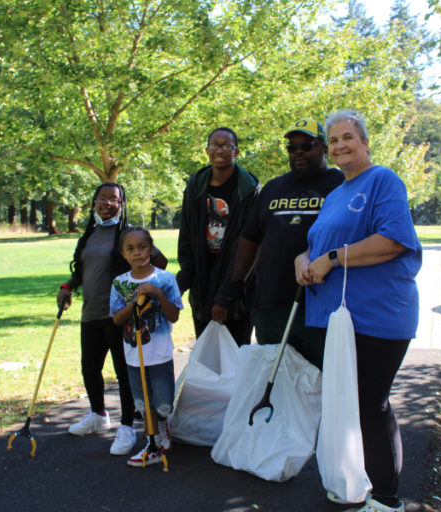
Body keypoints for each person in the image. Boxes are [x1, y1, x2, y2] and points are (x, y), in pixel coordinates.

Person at [295, 110, 422, 512]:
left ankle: (387, 501)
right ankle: (355, 483)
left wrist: (332, 258)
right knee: (348, 405)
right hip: (339, 318)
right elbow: (318, 244)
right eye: (333, 140)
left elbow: (393, 241)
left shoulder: (382, 180)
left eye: (348, 137)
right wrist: (302, 261)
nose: (339, 146)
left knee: (371, 403)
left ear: (365, 143)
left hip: (378, 315)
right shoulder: (335, 194)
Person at [57, 183, 167, 457]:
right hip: (90, 313)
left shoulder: (126, 235)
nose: (107, 203)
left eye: (114, 199)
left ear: (122, 204)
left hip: (118, 316)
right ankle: (98, 415)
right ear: (94, 202)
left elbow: (160, 262)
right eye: (102, 198)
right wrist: (68, 286)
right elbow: (82, 270)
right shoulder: (90, 234)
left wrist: (140, 283)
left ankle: (127, 426)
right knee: (90, 368)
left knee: (123, 373)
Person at [228, 118, 344, 368]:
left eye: (307, 145)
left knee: (320, 381)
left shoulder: (341, 184)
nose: (298, 152)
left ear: (324, 148)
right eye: (292, 148)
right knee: (275, 381)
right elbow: (250, 237)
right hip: (271, 304)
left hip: (321, 305)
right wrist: (236, 283)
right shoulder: (273, 188)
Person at [176, 127, 260, 345]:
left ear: (236, 151)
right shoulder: (196, 186)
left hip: (235, 286)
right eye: (214, 145)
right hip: (202, 283)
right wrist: (183, 279)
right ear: (207, 150)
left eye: (226, 145)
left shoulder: (248, 189)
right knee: (207, 359)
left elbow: (250, 246)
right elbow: (186, 236)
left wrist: (226, 296)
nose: (219, 150)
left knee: (235, 357)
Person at [110, 227, 183, 467]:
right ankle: (152, 442)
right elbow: (117, 319)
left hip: (159, 354)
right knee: (142, 401)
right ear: (123, 254)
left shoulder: (165, 278)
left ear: (152, 249)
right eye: (130, 249)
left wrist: (158, 294)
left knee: (162, 401)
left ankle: (162, 425)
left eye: (142, 247)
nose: (137, 253)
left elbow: (173, 316)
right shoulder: (120, 283)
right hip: (134, 355)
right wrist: (133, 304)